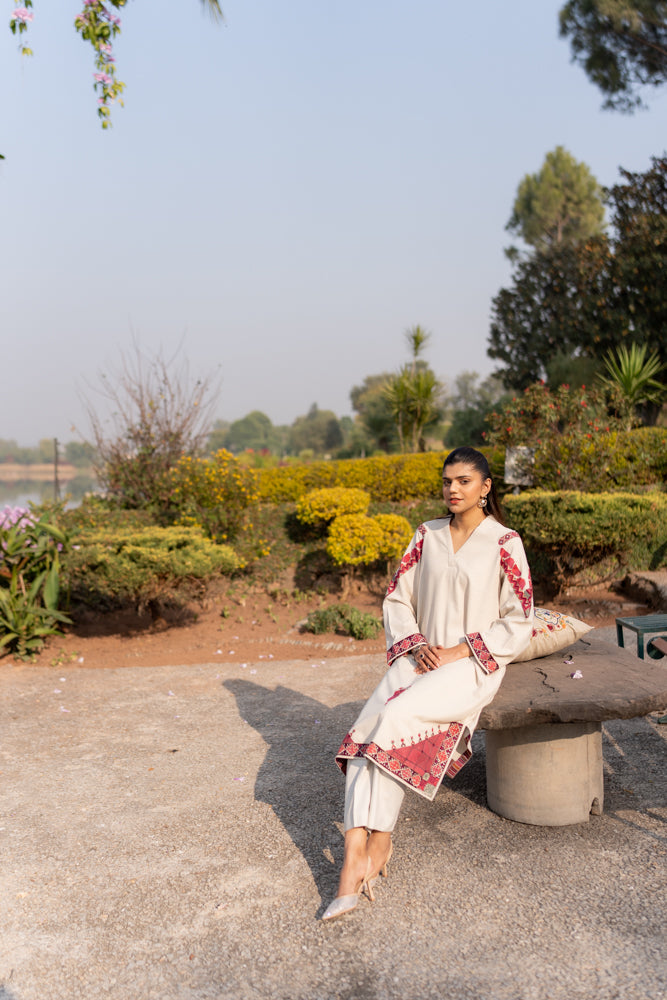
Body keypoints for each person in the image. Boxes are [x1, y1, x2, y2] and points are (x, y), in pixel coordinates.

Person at [322, 446, 534, 920]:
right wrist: (417, 646)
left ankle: (375, 842)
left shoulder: (504, 542)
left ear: (485, 487)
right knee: (366, 727)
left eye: (463, 481)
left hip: (472, 665)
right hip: (420, 657)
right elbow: (397, 599)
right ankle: (360, 850)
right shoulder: (426, 535)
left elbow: (519, 620)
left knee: (395, 716)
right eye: (446, 481)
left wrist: (460, 651)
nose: (452, 489)